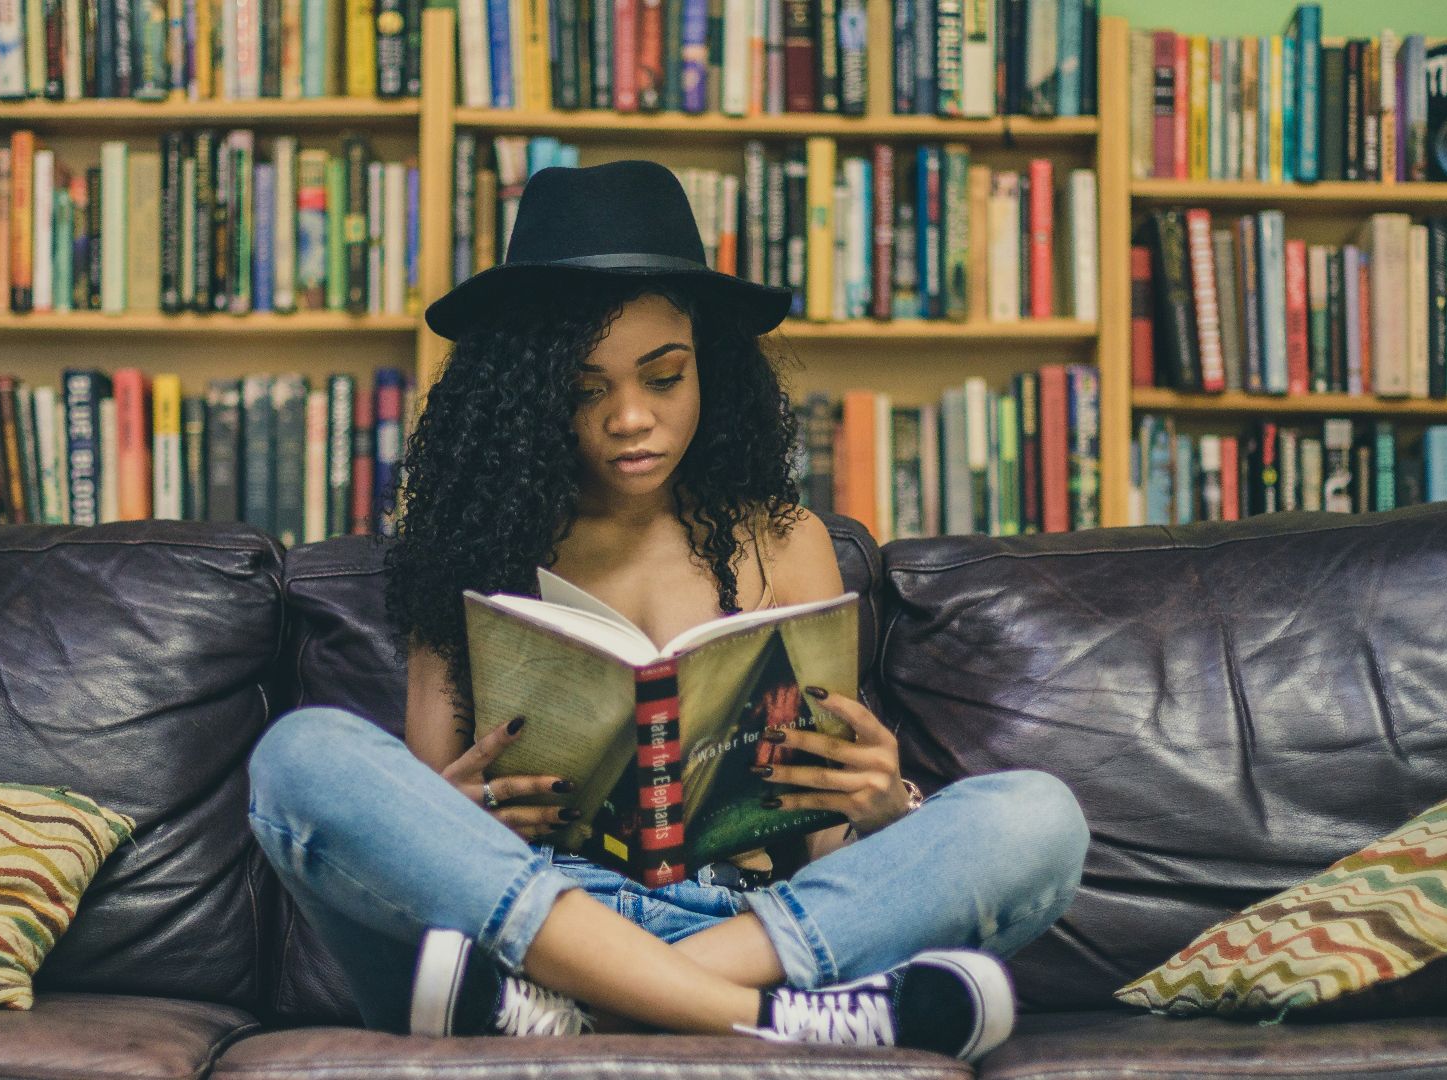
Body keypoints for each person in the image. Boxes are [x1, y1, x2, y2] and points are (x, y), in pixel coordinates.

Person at [246, 160, 1089, 1063]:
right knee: (301, 759)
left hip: (750, 921)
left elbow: (822, 845)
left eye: (664, 376)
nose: (630, 418)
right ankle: (766, 1019)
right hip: (528, 917)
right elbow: (424, 833)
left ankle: (597, 1009)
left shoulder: (786, 541)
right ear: (530, 396)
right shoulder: (464, 547)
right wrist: (451, 812)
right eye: (585, 388)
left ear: (709, 372)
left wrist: (886, 806)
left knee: (1040, 818)